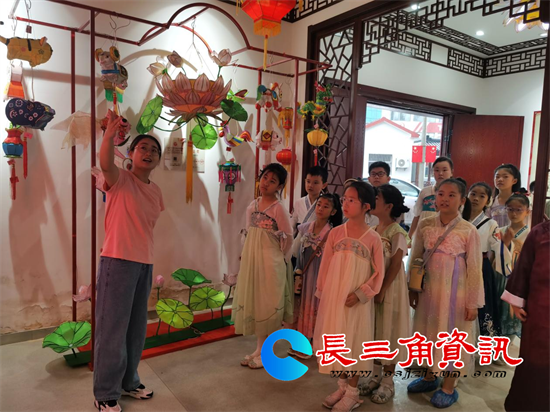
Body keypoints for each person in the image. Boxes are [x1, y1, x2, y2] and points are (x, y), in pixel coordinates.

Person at [94, 112, 165, 412]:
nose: (149, 153)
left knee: (135, 329)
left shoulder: (156, 191)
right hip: (117, 260)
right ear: (132, 154)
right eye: (143, 148)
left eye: (154, 150)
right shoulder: (120, 179)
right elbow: (105, 163)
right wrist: (109, 135)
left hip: (144, 263)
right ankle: (105, 393)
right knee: (112, 329)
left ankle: (129, 381)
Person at [407, 178, 483, 409]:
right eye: (441, 194)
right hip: (429, 291)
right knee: (428, 332)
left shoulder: (468, 230)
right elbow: (415, 258)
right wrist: (412, 288)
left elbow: (475, 268)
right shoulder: (425, 224)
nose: (445, 199)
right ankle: (429, 376)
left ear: (462, 200)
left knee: (452, 335)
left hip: (456, 294)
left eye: (451, 195)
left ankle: (449, 386)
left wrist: (473, 302)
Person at [313, 180, 384, 412]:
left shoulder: (373, 238)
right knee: (338, 340)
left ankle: (353, 392)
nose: (345, 203)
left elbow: (378, 273)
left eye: (352, 200)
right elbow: (325, 266)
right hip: (335, 298)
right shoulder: (335, 233)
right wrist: (323, 293)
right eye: (345, 199)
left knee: (355, 341)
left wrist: (362, 293)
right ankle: (342, 386)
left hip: (356, 301)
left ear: (366, 206)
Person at [232, 163, 294, 370]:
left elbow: (288, 237)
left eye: (272, 181)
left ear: (280, 186)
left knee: (269, 304)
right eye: (265, 178)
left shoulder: (278, 208)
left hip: (271, 262)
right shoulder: (253, 204)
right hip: (253, 261)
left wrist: (279, 257)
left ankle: (267, 352)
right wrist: (246, 253)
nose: (266, 183)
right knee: (258, 303)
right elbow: (247, 231)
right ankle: (259, 349)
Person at [358, 184, 410, 404]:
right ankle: (375, 375)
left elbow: (396, 264)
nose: (373, 201)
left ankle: (388, 381)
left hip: (390, 288)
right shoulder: (373, 229)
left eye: (376, 198)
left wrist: (382, 289)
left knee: (389, 329)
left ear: (388, 206)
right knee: (376, 330)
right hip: (374, 287)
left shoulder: (397, 232)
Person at [501, 221, 550, 412]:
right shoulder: (540, 233)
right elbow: (523, 267)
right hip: (541, 312)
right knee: (536, 362)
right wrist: (516, 299)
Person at [288, 193, 343, 359]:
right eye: (319, 205)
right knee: (301, 306)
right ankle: (302, 340)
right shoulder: (305, 228)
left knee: (316, 307)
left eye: (326, 206)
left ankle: (312, 343)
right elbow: (295, 251)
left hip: (320, 276)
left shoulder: (333, 233)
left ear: (333, 211)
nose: (320, 209)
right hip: (303, 275)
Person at [493, 193, 530, 340]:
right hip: (500, 276)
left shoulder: (530, 233)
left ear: (527, 211)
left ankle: (507, 344)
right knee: (497, 310)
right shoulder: (500, 231)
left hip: (518, 277)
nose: (514, 213)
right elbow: (494, 257)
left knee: (512, 313)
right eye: (510, 209)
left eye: (519, 210)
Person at [468, 182, 500, 337]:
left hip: (480, 266)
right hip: (458, 265)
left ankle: (481, 340)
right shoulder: (457, 219)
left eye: (482, 196)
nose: (476, 198)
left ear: (488, 201)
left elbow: (498, 248)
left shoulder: (491, 224)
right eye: (473, 194)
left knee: (481, 304)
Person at [409, 156, 454, 239]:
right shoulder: (425, 192)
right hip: (423, 235)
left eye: (444, 170)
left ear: (451, 172)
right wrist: (410, 236)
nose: (440, 173)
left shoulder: (455, 193)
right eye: (437, 170)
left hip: (446, 236)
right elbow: (417, 216)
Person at [290, 166, 328, 234]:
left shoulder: (326, 204)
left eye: (315, 183)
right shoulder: (298, 202)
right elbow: (292, 225)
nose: (310, 185)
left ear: (324, 185)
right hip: (299, 238)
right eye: (308, 181)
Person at [487, 164, 521, 228]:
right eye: (497, 177)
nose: (500, 179)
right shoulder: (490, 202)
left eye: (505, 177)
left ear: (514, 181)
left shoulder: (520, 202)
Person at [366, 161, 391, 227]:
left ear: (388, 178)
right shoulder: (364, 195)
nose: (376, 177)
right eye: (373, 174)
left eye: (380, 174)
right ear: (369, 179)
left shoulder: (393, 195)